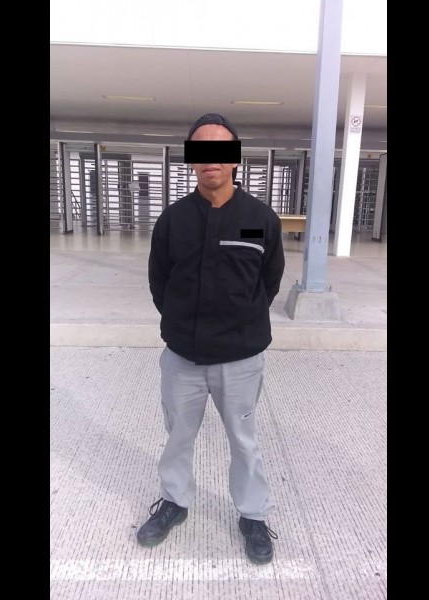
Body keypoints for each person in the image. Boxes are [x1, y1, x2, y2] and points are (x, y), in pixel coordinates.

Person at [139, 113, 285, 564]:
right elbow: (159, 283)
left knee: (244, 441)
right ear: (191, 160)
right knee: (178, 436)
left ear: (235, 158)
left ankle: (252, 514)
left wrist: (241, 323)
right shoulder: (173, 221)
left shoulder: (259, 219)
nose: (211, 160)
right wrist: (182, 324)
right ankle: (175, 502)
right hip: (182, 358)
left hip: (240, 360)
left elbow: (269, 280)